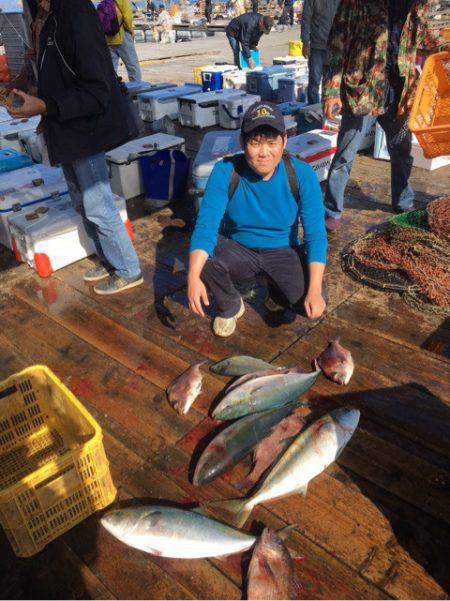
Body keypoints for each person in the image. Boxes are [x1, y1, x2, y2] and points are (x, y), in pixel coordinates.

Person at [9, 0, 143, 295]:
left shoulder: (74, 12)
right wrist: (27, 81)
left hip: (85, 127)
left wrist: (44, 105)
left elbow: (98, 90)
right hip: (64, 126)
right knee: (81, 201)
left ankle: (128, 269)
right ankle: (110, 259)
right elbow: (55, 70)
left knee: (98, 203)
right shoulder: (45, 16)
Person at [188, 101, 327, 337]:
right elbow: (206, 227)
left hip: (284, 250)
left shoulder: (302, 173)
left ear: (284, 140)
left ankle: (276, 292)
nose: (264, 152)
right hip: (237, 248)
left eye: (272, 142)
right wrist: (192, 276)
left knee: (311, 300)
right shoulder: (225, 170)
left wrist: (314, 289)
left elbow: (315, 235)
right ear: (243, 143)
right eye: (255, 142)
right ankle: (231, 305)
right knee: (201, 260)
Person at [322, 0, 450, 232]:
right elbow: (337, 44)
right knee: (346, 153)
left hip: (398, 91)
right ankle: (332, 210)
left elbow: (422, 40)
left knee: (401, 148)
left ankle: (403, 200)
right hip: (363, 90)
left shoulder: (416, 5)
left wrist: (445, 46)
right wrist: (331, 91)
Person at [300, 0, 340, 104]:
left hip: (335, 47)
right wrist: (305, 42)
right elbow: (306, 19)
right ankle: (314, 111)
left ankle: (329, 110)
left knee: (332, 81)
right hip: (317, 47)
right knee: (314, 82)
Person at [107, 0, 142, 82]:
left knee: (111, 68)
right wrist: (131, 31)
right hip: (122, 35)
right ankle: (136, 87)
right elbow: (128, 17)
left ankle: (111, 89)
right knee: (132, 65)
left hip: (108, 37)